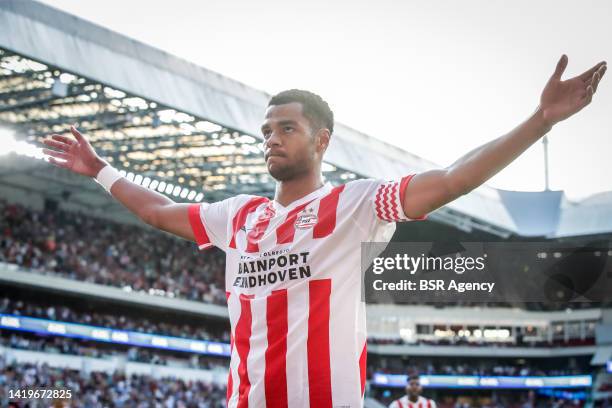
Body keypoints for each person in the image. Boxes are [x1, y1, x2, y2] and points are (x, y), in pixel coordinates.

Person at [42, 55, 606, 407]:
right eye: (266, 130)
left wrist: (540, 121)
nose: (272, 138)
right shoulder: (238, 215)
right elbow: (158, 212)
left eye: (287, 128)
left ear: (321, 140)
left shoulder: (356, 203)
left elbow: (454, 180)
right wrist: (101, 170)